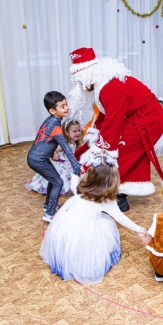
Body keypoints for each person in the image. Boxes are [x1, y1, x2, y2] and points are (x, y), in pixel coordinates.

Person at [66, 47, 163, 212]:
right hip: (139, 117)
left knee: (117, 155)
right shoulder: (103, 84)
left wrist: (101, 148)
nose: (81, 86)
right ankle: (118, 194)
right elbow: (106, 114)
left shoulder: (110, 88)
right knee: (124, 153)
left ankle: (111, 196)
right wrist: (95, 135)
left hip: (148, 120)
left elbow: (114, 121)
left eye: (81, 81)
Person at [39, 149, 147, 284]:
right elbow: (120, 217)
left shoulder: (80, 188)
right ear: (111, 180)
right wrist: (139, 229)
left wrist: (74, 174)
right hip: (85, 232)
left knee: (71, 246)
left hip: (65, 227)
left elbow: (73, 184)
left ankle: (67, 260)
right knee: (105, 229)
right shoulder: (105, 199)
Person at [27, 91, 81, 222]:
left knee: (54, 180)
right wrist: (76, 165)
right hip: (38, 160)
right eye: (62, 106)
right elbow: (66, 148)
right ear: (52, 110)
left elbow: (44, 140)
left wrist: (51, 153)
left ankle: (48, 206)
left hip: (38, 158)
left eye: (66, 104)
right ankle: (50, 214)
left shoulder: (51, 121)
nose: (67, 107)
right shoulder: (55, 126)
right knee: (58, 182)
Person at [25, 117, 83, 196]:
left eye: (79, 130)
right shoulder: (63, 145)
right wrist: (54, 154)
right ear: (66, 132)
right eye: (74, 131)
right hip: (61, 165)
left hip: (68, 164)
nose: (77, 133)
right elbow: (52, 149)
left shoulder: (75, 142)